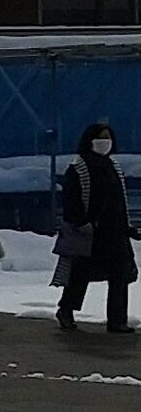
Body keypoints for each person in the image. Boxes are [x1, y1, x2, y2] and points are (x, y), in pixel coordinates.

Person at [55, 119, 134, 335]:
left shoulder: (113, 166)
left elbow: (119, 199)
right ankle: (66, 309)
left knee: (120, 275)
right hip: (90, 232)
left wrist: (127, 227)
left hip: (115, 231)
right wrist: (82, 222)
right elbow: (71, 199)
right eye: (100, 137)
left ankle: (117, 320)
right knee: (80, 274)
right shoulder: (79, 167)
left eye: (107, 137)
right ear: (89, 141)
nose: (104, 142)